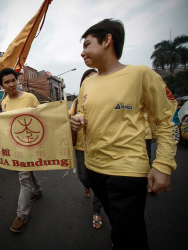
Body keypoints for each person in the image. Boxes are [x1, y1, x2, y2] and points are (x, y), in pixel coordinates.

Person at [70, 19, 177, 250]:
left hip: (127, 172)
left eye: (87, 44)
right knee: (120, 226)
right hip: (94, 169)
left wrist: (163, 164)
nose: (82, 52)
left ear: (107, 40)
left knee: (130, 235)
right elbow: (82, 116)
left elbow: (167, 119)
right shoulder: (87, 84)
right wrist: (77, 122)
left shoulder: (140, 75)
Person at [0, 68, 42, 233]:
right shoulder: (4, 103)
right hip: (17, 146)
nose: (11, 84)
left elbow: (43, 117)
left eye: (13, 80)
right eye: (6, 82)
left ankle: (22, 214)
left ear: (17, 80)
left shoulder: (30, 98)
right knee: (25, 173)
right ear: (2, 85)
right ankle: (37, 190)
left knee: (24, 178)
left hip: (32, 143)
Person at [69, 69, 103, 229]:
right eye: (87, 79)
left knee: (99, 181)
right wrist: (73, 121)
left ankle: (96, 210)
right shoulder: (76, 102)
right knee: (82, 176)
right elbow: (68, 119)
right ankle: (87, 185)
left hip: (100, 147)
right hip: (81, 146)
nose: (91, 81)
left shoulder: (105, 98)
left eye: (94, 77)